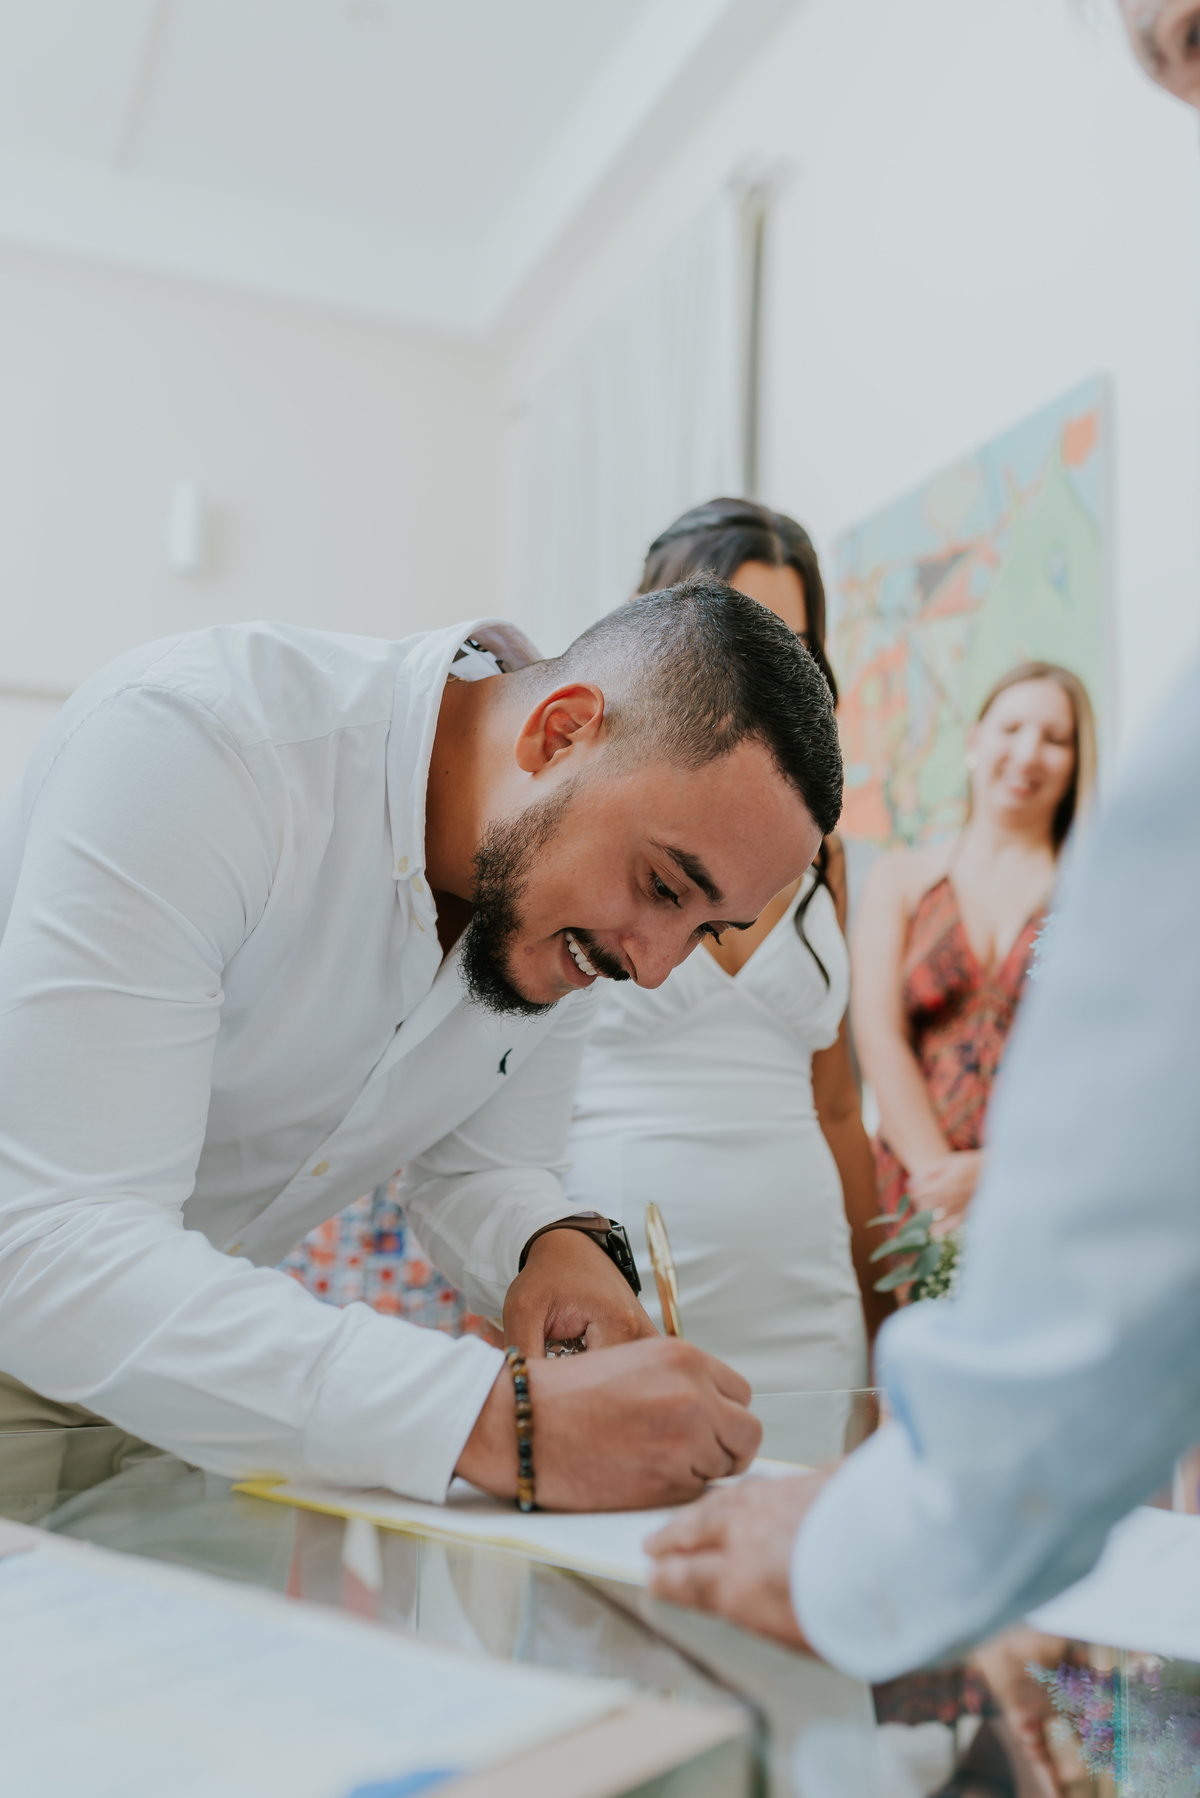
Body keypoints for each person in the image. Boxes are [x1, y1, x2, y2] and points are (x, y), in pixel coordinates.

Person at [645, 0, 1200, 1705]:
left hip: (975, 1280)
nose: (1163, 51)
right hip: (781, 1248)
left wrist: (912, 1498)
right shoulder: (886, 873)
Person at [0, 576, 844, 1510]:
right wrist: (496, 1422)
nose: (652, 969)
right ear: (559, 733)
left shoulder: (571, 910)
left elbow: (485, 1170)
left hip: (198, 1399)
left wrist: (550, 1247)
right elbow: (54, 1238)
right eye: (664, 887)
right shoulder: (199, 746)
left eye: (705, 930)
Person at [565, 498, 887, 1392]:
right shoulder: (583, 825)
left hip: (806, 1287)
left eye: (794, 640)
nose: (768, 670)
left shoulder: (828, 860)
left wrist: (882, 1316)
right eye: (744, 632)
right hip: (627, 1264)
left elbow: (836, 1107)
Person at [854, 663, 1095, 1241]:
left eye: (1055, 739)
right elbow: (879, 1037)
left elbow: (1095, 1060)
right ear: (974, 741)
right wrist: (941, 1184)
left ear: (1077, 762)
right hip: (915, 1194)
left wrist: (994, 1176)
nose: (1029, 752)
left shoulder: (1094, 894)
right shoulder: (901, 879)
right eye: (1011, 729)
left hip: (1046, 1189)